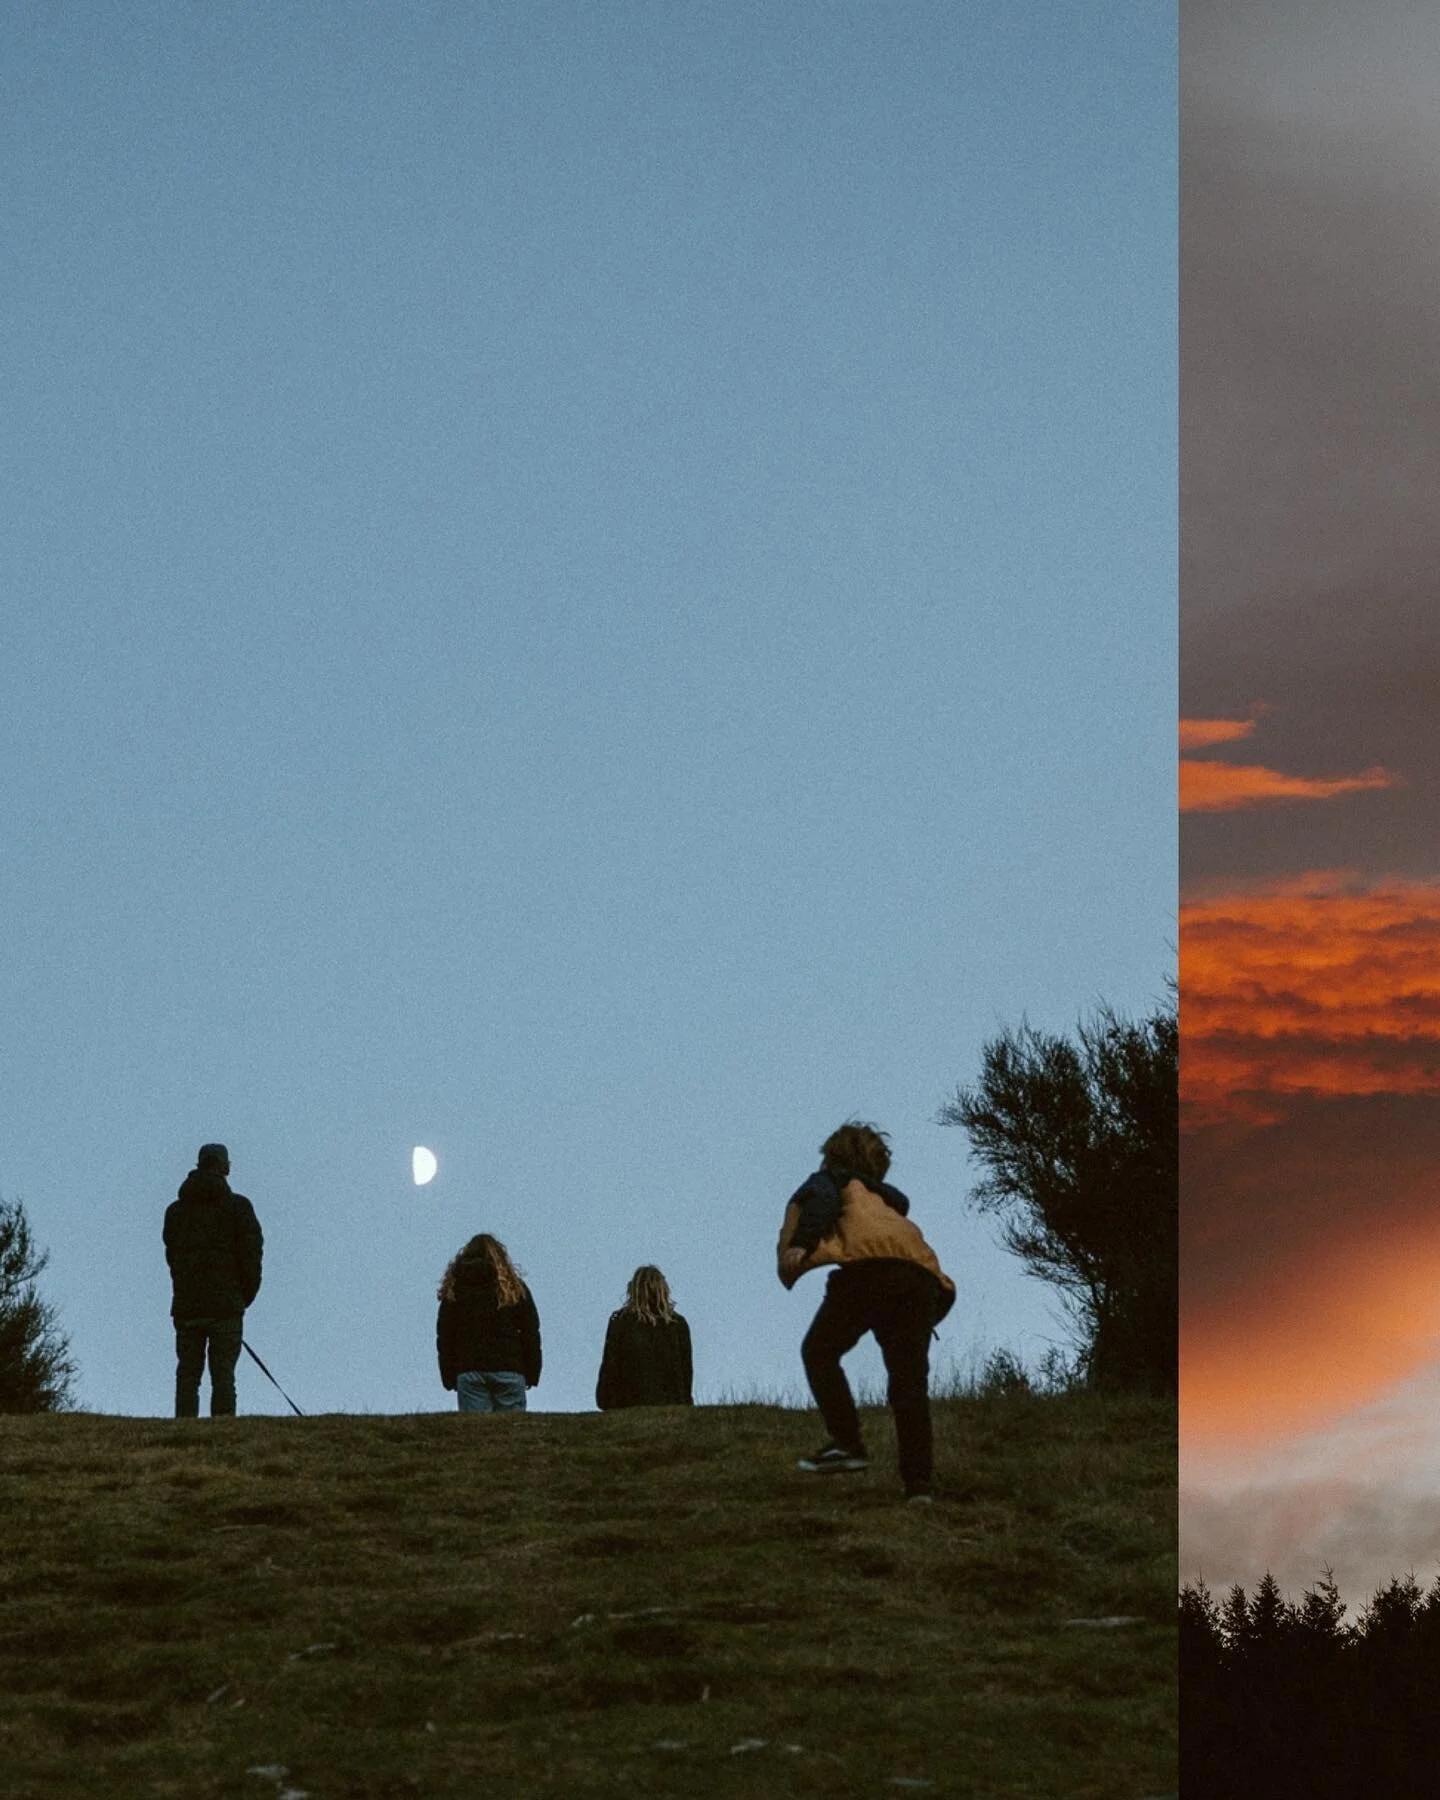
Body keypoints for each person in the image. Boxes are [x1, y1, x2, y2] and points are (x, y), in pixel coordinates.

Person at [777, 1121, 955, 1502]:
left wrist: (802, 1245)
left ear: (832, 1155)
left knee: (819, 1352)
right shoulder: (887, 1199)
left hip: (868, 1272)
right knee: (908, 1382)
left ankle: (847, 1443)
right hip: (919, 1277)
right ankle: (919, 1485)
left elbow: (821, 1204)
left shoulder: (829, 1180)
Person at [163, 1143, 264, 1418]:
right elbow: (252, 1257)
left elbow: (172, 1259)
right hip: (226, 1308)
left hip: (187, 1307)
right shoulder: (238, 1208)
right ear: (225, 1167)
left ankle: (183, 1435)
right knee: (223, 1377)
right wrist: (242, 1297)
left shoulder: (175, 1212)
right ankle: (223, 1434)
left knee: (187, 1376)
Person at [436, 1234, 541, 1412]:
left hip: (469, 1368)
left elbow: (446, 1337)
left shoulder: (454, 1290)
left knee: (476, 1432)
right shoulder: (514, 1288)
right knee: (511, 1432)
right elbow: (530, 1332)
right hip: (510, 1368)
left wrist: (449, 1375)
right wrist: (532, 1372)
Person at [595, 1266, 694, 1410]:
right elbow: (686, 1371)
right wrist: (684, 1402)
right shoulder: (677, 1324)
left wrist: (606, 1400)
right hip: (670, 1404)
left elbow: (610, 1366)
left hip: (626, 1404)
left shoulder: (622, 1322)